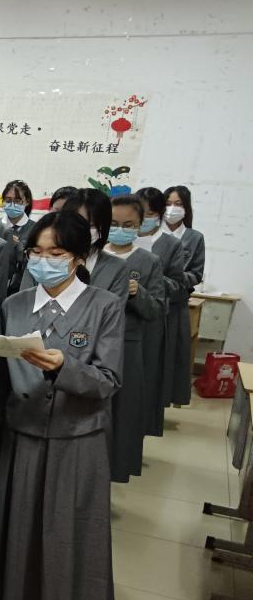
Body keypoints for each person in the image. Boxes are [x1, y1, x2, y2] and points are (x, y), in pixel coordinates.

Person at [0, 210, 124, 600]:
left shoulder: (104, 306)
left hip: (76, 439)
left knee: (68, 535)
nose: (44, 261)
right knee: (12, 528)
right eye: (36, 252)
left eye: (56, 253)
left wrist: (65, 367)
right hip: (22, 434)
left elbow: (108, 380)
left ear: (79, 257)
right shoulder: (15, 304)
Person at [106, 196, 166, 482]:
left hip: (128, 346)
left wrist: (136, 292)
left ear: (140, 226)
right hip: (92, 344)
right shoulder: (93, 257)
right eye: (113, 223)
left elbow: (156, 309)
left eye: (128, 225)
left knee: (123, 411)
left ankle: (116, 469)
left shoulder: (149, 261)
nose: (120, 229)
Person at [135, 187, 187, 425]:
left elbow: (178, 285)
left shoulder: (171, 244)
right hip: (122, 315)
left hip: (152, 317)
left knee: (147, 375)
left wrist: (152, 277)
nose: (143, 218)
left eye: (149, 213)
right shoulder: (122, 240)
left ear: (158, 214)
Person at [21, 190, 128, 304]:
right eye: (76, 224)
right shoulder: (39, 258)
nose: (83, 230)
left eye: (91, 225)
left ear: (103, 226)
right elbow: (24, 302)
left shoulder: (116, 267)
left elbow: (114, 309)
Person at [162, 185, 204, 407]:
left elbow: (196, 274)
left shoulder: (194, 238)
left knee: (172, 356)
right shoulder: (151, 235)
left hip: (176, 304)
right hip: (149, 302)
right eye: (168, 203)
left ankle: (165, 401)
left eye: (178, 204)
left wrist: (174, 278)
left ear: (186, 208)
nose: (172, 208)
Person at [0, 179, 35, 294]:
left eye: (17, 201)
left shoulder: (35, 229)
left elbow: (34, 262)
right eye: (8, 200)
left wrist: (20, 248)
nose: (12, 205)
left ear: (27, 202)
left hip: (21, 288)